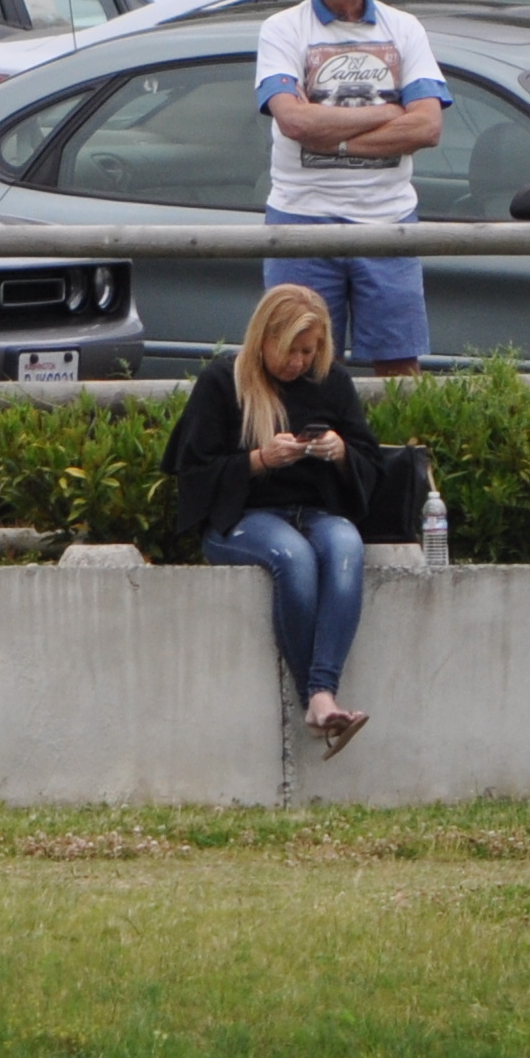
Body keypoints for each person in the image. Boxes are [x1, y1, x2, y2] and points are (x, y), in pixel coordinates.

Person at [166, 283, 380, 757]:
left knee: (346, 548)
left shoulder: (333, 384)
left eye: (310, 351)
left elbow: (370, 463)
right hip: (244, 518)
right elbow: (194, 473)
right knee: (294, 558)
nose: (299, 362)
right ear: (263, 339)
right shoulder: (224, 383)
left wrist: (341, 452)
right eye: (290, 351)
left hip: (317, 512)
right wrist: (260, 459)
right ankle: (319, 698)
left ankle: (321, 697)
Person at [254, 0, 446, 369]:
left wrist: (332, 135)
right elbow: (294, 122)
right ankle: (306, 446)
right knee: (296, 366)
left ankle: (395, 446)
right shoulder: (282, 30)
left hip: (389, 223)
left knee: (399, 370)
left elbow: (427, 125)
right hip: (302, 222)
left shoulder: (404, 29)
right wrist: (387, 112)